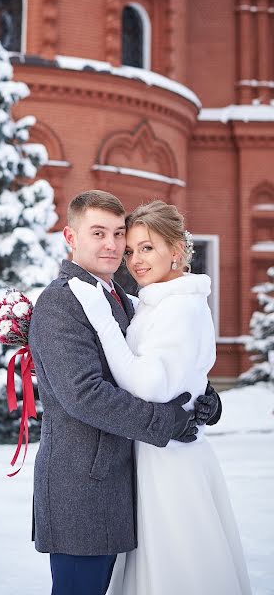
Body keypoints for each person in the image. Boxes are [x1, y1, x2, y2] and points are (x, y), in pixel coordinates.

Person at [28, 190, 221, 595]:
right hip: (82, 484)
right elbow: (84, 395)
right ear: (70, 236)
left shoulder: (125, 300)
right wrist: (165, 420)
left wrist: (201, 393)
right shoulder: (60, 303)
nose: (114, 246)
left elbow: (159, 358)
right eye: (99, 233)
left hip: (124, 483)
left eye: (120, 234)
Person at [69, 199, 252, 595]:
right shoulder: (155, 302)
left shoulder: (178, 308)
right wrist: (202, 389)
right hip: (154, 450)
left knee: (176, 566)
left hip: (168, 460)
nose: (134, 260)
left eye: (147, 248)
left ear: (177, 251)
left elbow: (149, 386)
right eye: (131, 249)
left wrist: (101, 322)